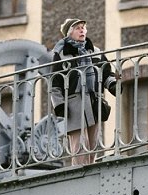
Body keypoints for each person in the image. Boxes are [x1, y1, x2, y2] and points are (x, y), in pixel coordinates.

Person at [50, 18, 117, 165]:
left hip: (93, 101)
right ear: (69, 33)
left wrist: (113, 85)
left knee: (93, 144)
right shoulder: (60, 54)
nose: (82, 30)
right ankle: (79, 175)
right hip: (73, 104)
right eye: (77, 28)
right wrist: (59, 105)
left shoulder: (95, 52)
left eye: (83, 27)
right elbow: (54, 84)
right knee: (80, 145)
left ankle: (91, 173)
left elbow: (106, 73)